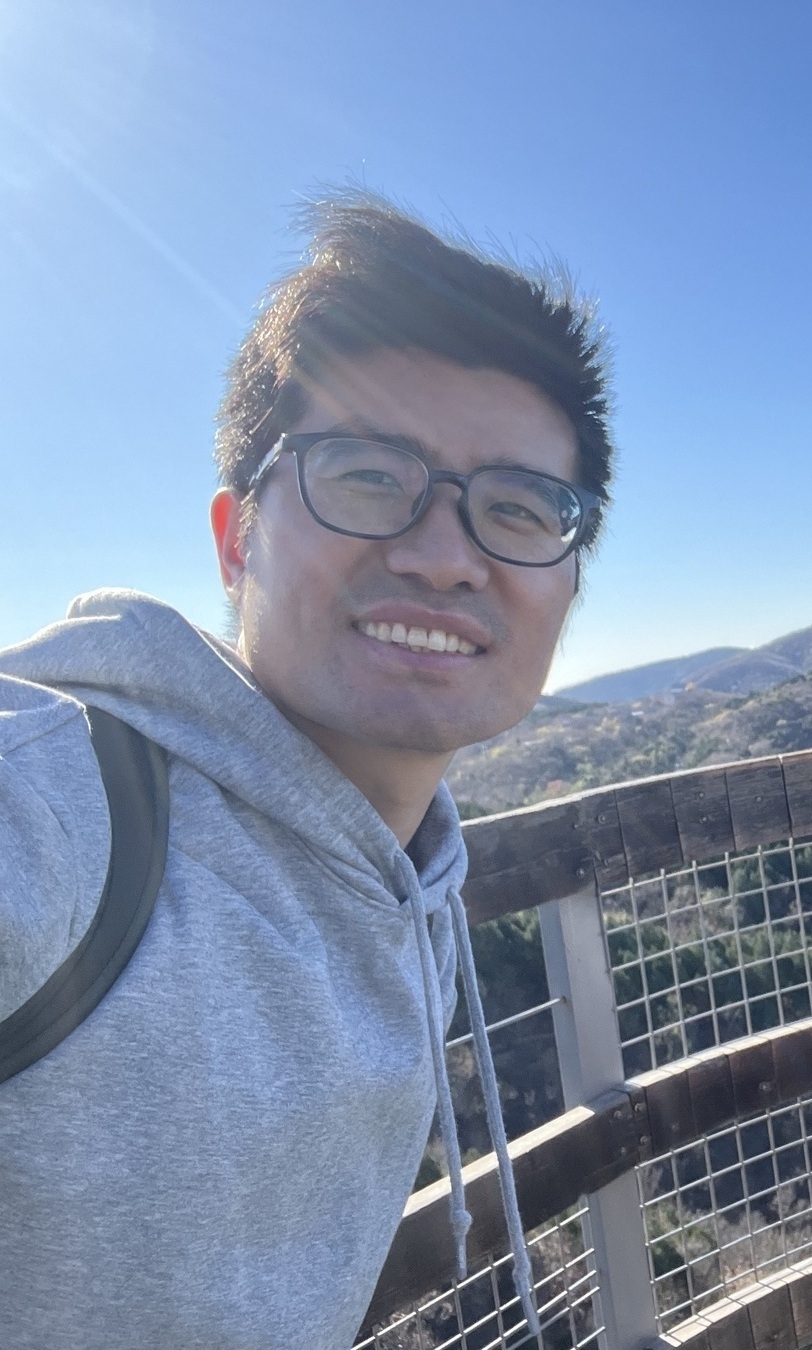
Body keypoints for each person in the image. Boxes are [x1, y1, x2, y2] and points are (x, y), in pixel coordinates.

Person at [0, 190, 614, 1347]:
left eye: (521, 508)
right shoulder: (59, 813)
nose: (443, 558)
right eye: (369, 476)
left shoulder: (407, 871)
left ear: (568, 585)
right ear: (238, 538)